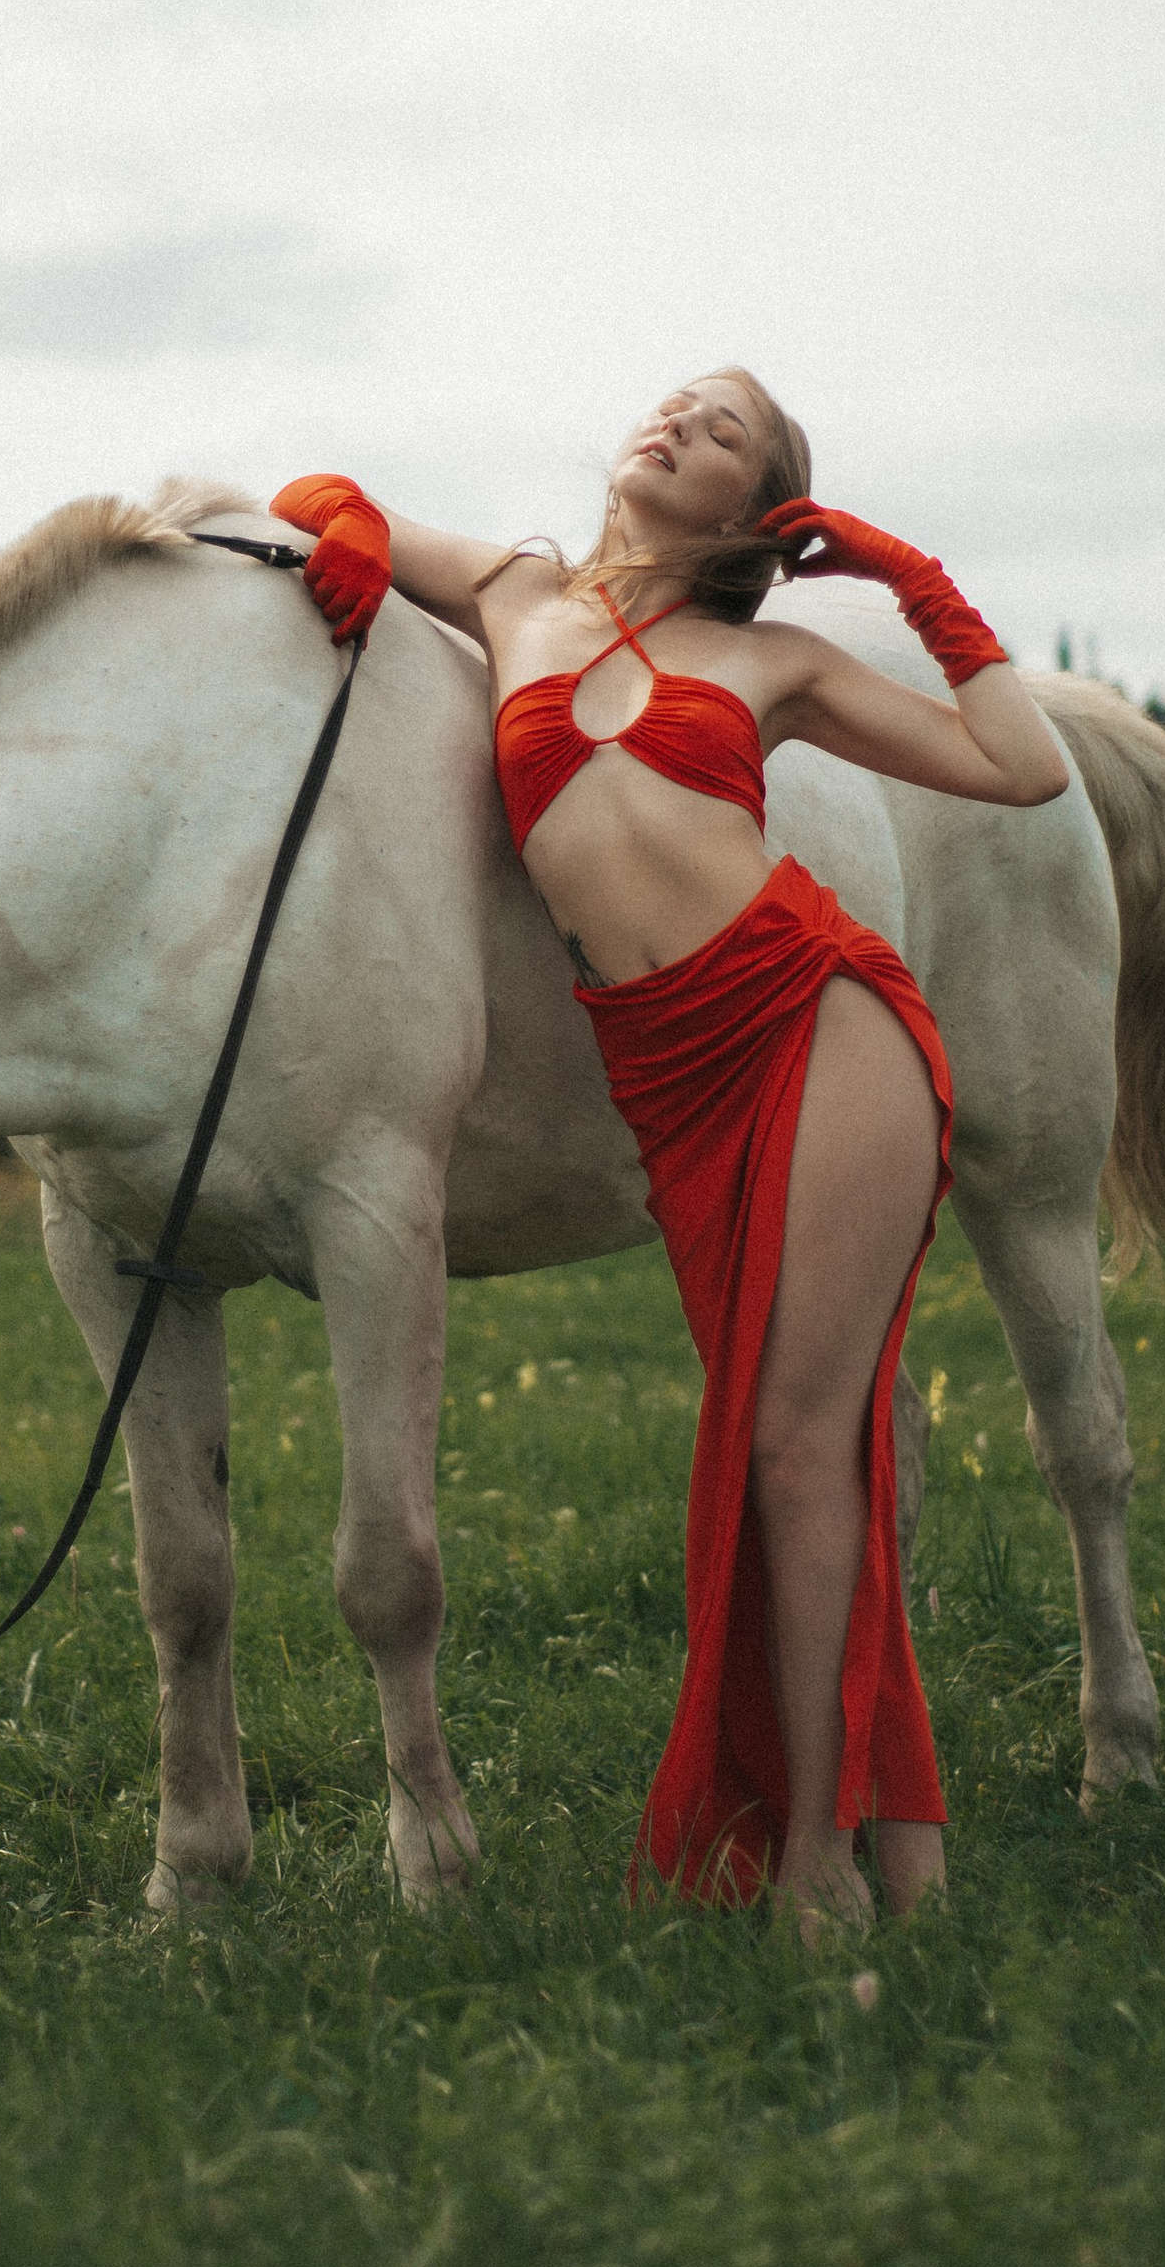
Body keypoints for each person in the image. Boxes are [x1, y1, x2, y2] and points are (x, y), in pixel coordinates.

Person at [270, 375, 1067, 1939]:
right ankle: (908, 1845)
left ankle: (819, 1866)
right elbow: (307, 489)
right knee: (782, 1461)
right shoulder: (512, 594)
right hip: (671, 1076)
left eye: (720, 433)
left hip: (817, 1018)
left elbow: (1022, 767)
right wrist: (345, 525)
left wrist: (911, 579)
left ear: (752, 514)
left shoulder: (772, 658)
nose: (671, 427)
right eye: (671, 407)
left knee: (793, 1449)